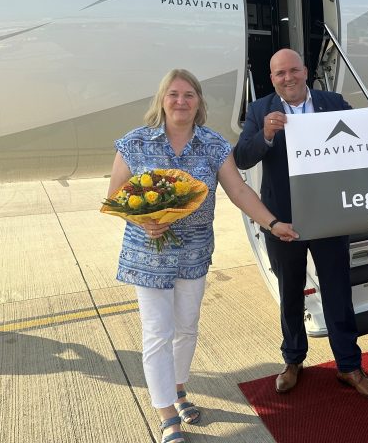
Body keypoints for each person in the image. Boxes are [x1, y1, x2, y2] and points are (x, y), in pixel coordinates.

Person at [108, 69, 298, 443]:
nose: (181, 101)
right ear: (162, 100)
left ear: (199, 103)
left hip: (193, 255)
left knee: (187, 328)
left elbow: (240, 192)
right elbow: (115, 196)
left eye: (189, 95)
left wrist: (273, 223)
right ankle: (167, 416)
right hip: (148, 256)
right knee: (157, 333)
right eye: (174, 94)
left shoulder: (212, 145)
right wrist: (146, 220)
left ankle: (178, 389)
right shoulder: (136, 143)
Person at [234, 48, 368, 399]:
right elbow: (242, 155)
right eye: (280, 74)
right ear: (272, 78)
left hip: (329, 215)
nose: (288, 78)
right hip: (282, 219)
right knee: (291, 292)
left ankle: (348, 366)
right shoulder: (260, 109)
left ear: (305, 71)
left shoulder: (332, 102)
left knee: (338, 290)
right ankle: (293, 360)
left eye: (293, 70)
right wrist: (264, 134)